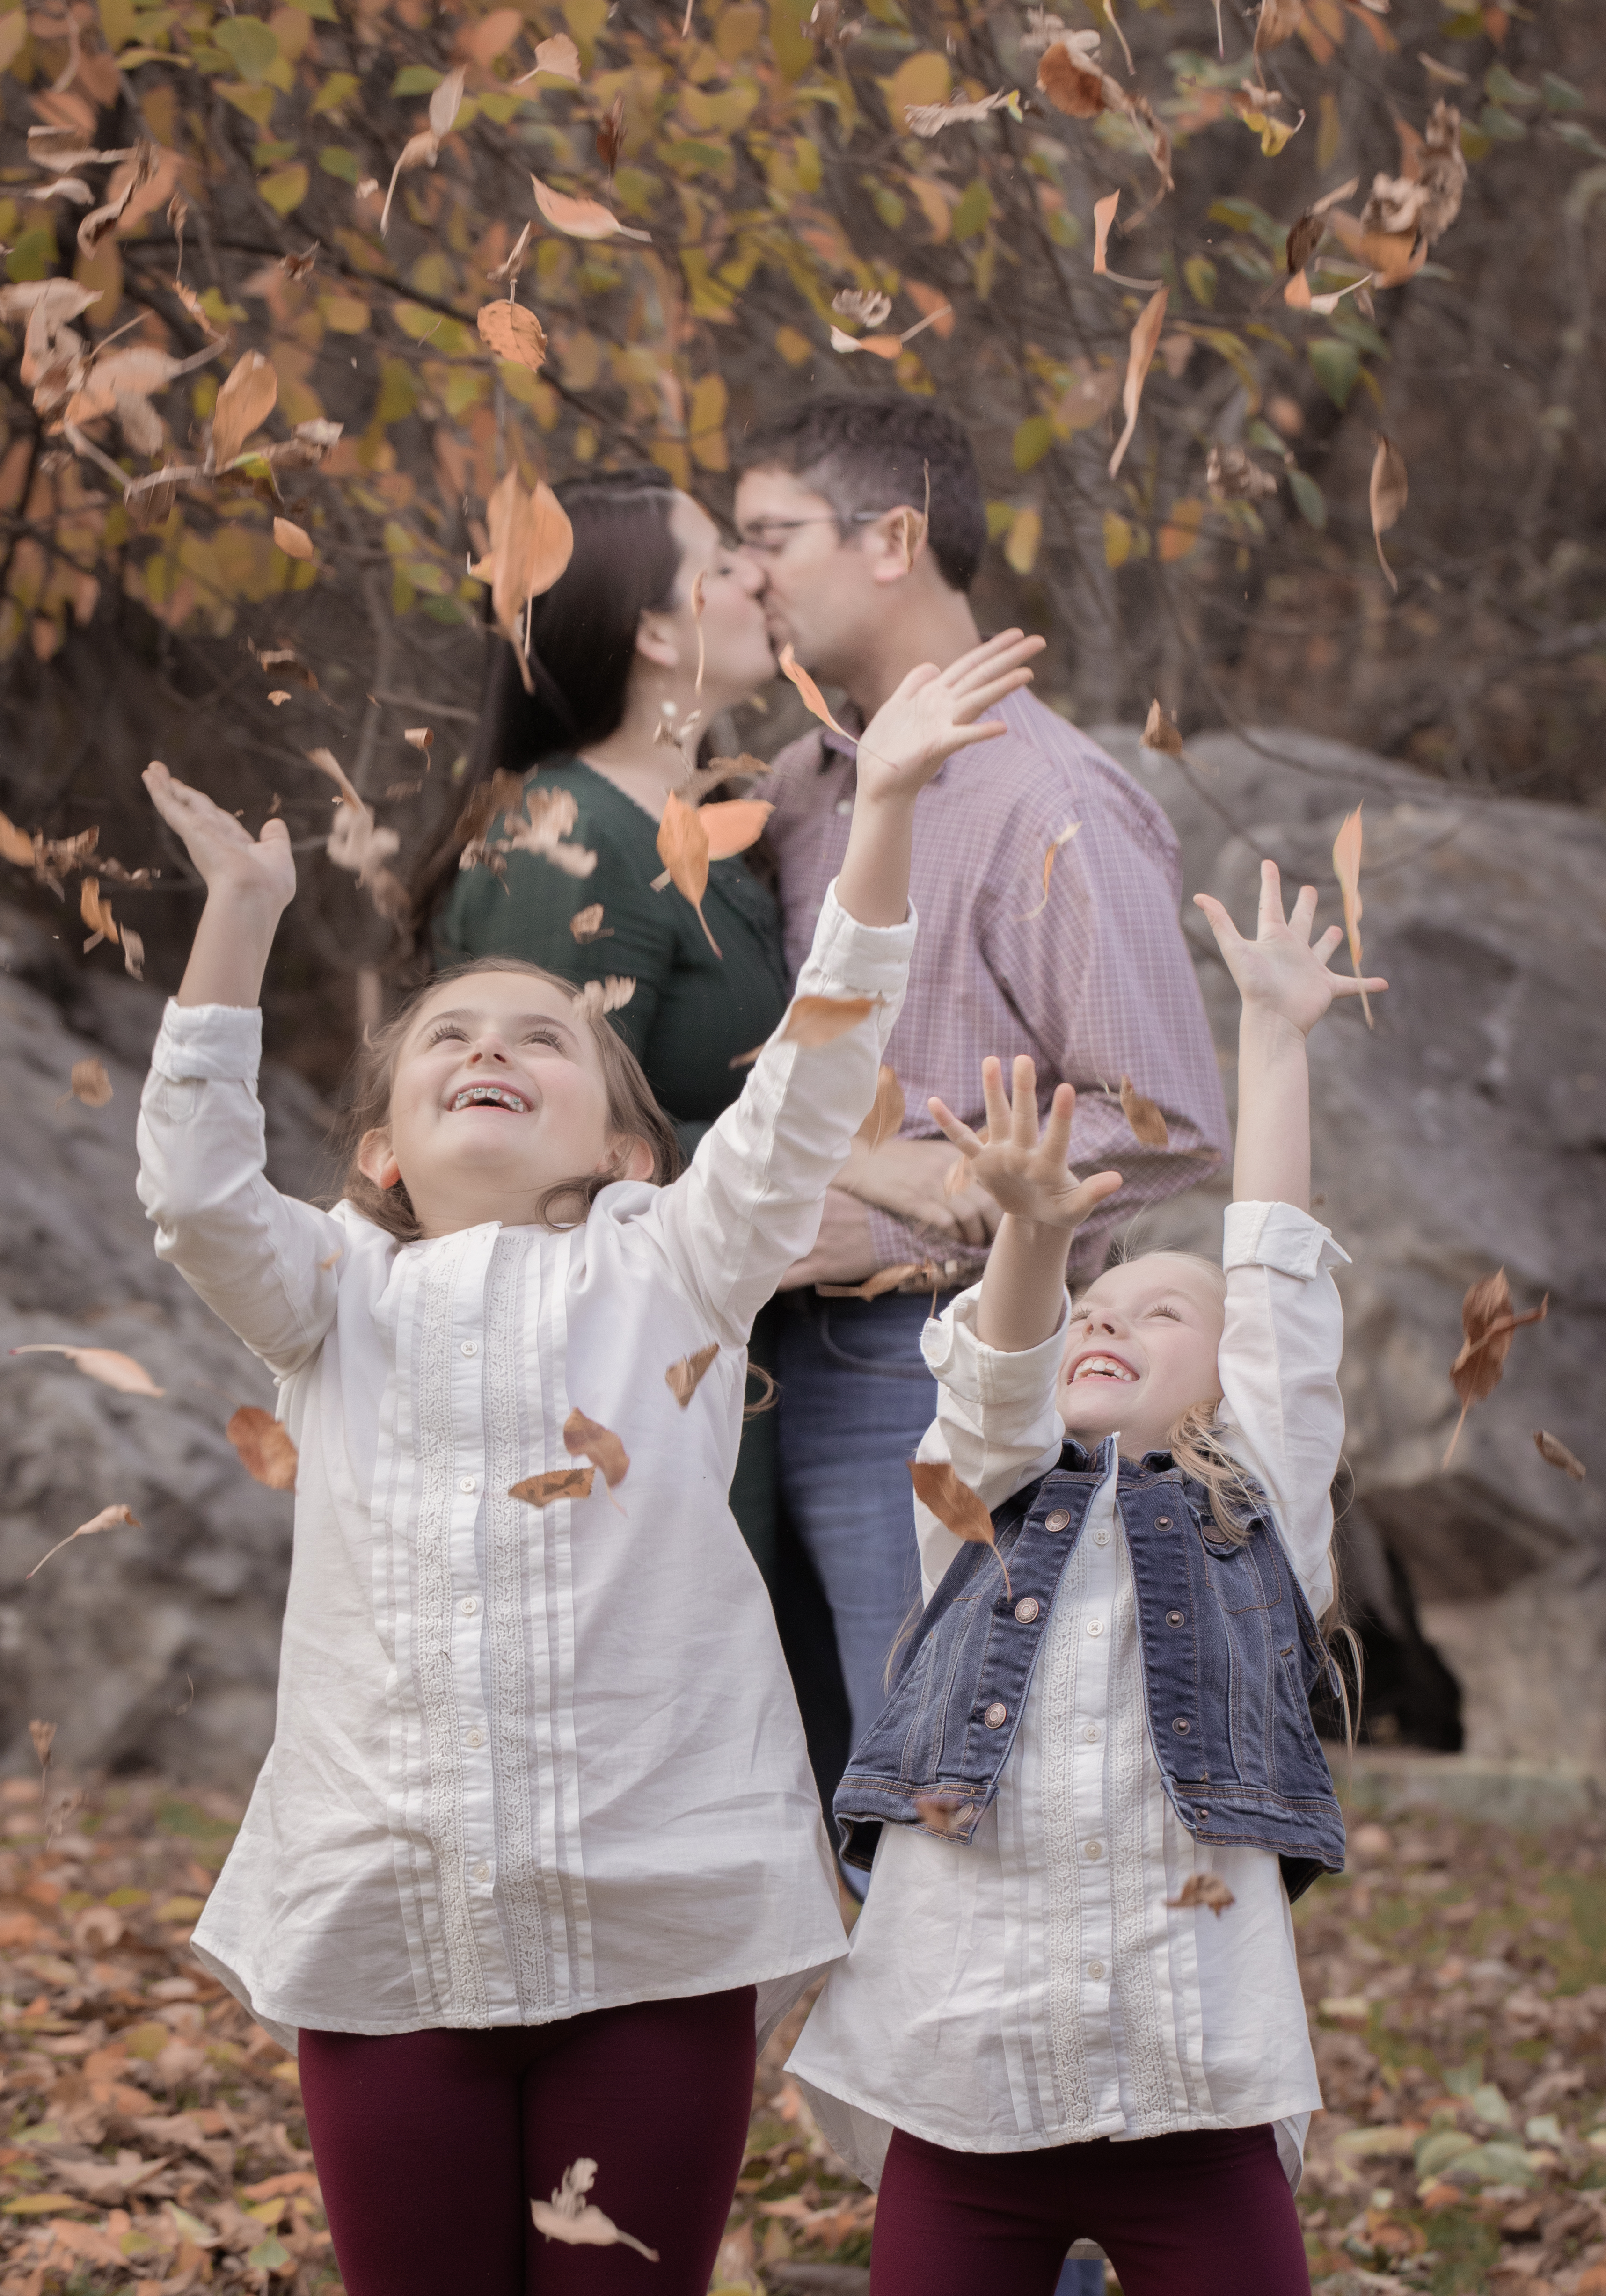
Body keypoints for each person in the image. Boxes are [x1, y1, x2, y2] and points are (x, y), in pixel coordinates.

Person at [132, 625, 1043, 2296]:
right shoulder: (331, 1291)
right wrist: (240, 924)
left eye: (543, 1036)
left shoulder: (675, 1262)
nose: (493, 1043)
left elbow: (815, 1069)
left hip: (654, 1904)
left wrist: (893, 803)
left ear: (628, 1141)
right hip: (386, 1910)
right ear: (381, 1146)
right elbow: (194, 1192)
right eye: (450, 1033)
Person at [788, 858, 1386, 2296]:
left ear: (1223, 1367)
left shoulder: (1259, 1507)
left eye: (1159, 1309)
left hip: (1194, 2083)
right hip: (963, 2082)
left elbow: (1281, 1283)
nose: (1107, 1323)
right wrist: (1036, 1232)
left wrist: (1274, 1032)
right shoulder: (978, 1501)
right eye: (1090, 1314)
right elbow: (998, 1377)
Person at [733, 397, 1230, 1837]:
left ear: (892, 539)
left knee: (933, 1794)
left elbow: (1158, 1114)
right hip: (758, 1358)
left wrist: (922, 1198)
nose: (751, 574)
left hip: (936, 1362)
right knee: (796, 1805)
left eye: (772, 537)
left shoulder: (1046, 796)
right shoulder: (796, 788)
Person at [416, 468, 789, 1579]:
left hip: (703, 1361)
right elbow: (529, 1158)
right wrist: (861, 1183)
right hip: (605, 1403)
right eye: (720, 565)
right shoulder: (565, 841)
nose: (754, 576)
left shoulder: (702, 828)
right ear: (659, 638)